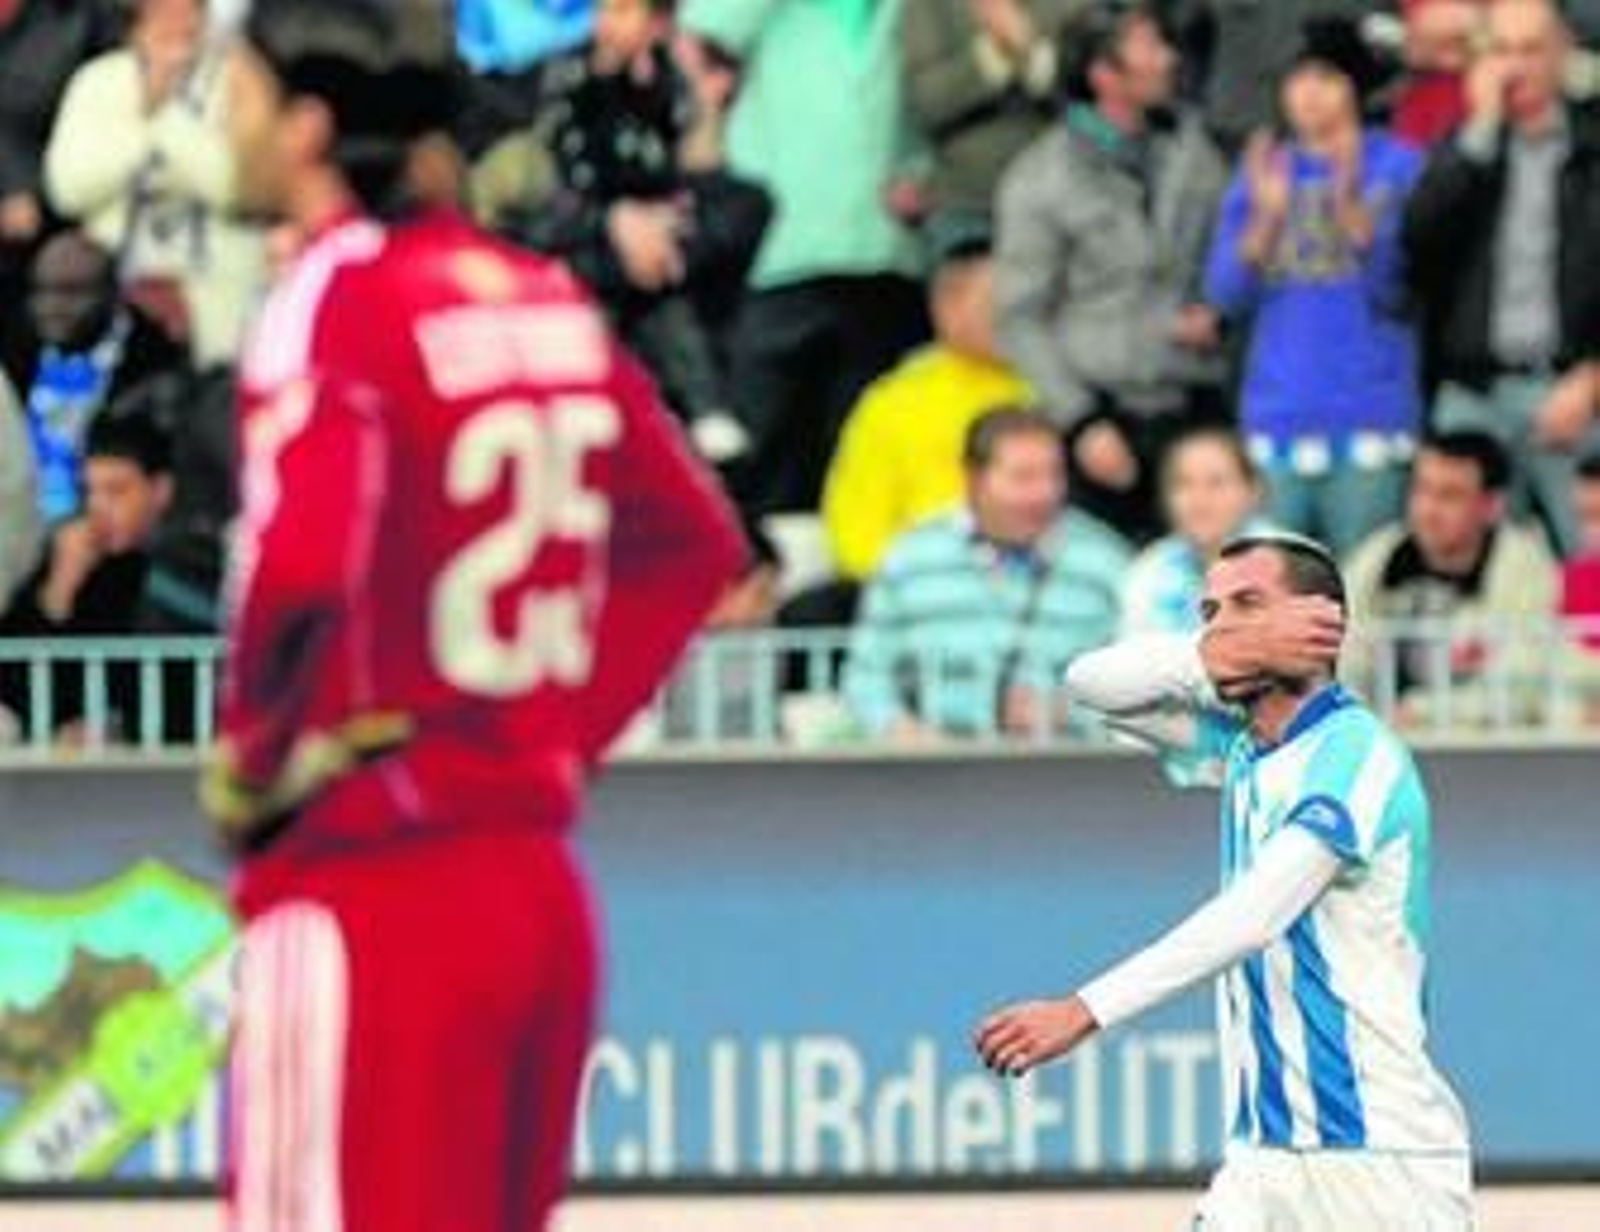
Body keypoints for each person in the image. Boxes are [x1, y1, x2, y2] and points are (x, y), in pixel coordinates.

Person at [201, 4, 744, 1231]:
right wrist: (548, 736)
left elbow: (298, 563)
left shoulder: (331, 291)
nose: (220, 125)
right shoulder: (538, 290)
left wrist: (253, 759)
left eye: (232, 96)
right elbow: (693, 544)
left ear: (308, 124)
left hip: (365, 883)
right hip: (536, 893)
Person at [975, 531, 1474, 1230]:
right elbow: (1089, 682)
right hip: (1260, 1161)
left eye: (1247, 605)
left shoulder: (1358, 756)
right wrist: (1212, 653)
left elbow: (1252, 918)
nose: (1221, 626)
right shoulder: (1238, 746)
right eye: (1209, 612)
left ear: (1317, 624)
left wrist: (1084, 1010)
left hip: (1380, 1158)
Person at [680, 0, 931, 514]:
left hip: (880, 255)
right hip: (779, 256)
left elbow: (920, 105)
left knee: (855, 448)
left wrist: (922, 175)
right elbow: (699, 26)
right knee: (760, 446)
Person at [995, 0, 1229, 543]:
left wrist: (1218, 313)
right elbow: (1019, 318)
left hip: (1190, 402)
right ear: (1104, 74)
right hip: (1101, 414)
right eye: (1149, 47)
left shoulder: (1194, 155)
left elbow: (1227, 258)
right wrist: (1080, 421)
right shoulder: (1042, 177)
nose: (1168, 58)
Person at [509, 0, 771, 462]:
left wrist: (655, 227)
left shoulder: (669, 90)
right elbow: (541, 191)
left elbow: (693, 179)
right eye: (604, 10)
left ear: (660, 22)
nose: (606, 25)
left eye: (624, 11)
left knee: (668, 289)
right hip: (576, 251)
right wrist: (612, 222)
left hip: (655, 254)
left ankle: (700, 402)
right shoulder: (567, 82)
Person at [1204, 16, 1424, 556]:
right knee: (1278, 597)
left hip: (1370, 413)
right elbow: (1223, 298)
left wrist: (1352, 210)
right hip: (1277, 418)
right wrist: (1266, 219)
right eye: (1297, 78)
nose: (1309, 94)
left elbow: (1400, 292)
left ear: (1356, 85)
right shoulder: (1262, 170)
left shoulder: (1399, 165)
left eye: (1326, 77)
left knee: (1360, 599)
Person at [1402, 0, 1600, 557]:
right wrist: (1480, 133)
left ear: (1563, 54)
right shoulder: (1465, 148)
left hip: (1574, 393)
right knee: (1461, 570)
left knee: (1591, 567)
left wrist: (1592, 376)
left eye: (1531, 49)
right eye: (1501, 50)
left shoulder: (1592, 148)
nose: (1515, 67)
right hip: (1472, 393)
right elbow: (1417, 242)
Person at [842, 407, 1129, 742]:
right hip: (936, 777)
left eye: (1054, 474)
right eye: (1024, 477)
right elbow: (865, 677)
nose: (1045, 492)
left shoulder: (1106, 559)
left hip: (1069, 773)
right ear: (972, 479)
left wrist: (1066, 713)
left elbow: (1146, 690)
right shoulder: (910, 558)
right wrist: (899, 730)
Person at [43, 0, 267, 364]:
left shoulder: (241, 78)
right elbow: (66, 188)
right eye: (158, 9)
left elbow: (237, 186)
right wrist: (151, 134)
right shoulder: (99, 80)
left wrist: (162, 117)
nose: (174, 17)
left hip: (221, 317)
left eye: (188, 8)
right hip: (108, 313)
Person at [822, 238, 1033, 588]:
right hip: (918, 594)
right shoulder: (893, 402)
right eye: (996, 301)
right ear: (946, 306)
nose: (1012, 313)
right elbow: (854, 529)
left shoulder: (1045, 391)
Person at [1343, 430, 1560, 726]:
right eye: (1421, 490)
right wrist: (1363, 716)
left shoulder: (1526, 569)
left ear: (1491, 506)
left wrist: (1421, 714)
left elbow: (1522, 688)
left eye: (1449, 495)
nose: (1427, 510)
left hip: (1481, 752)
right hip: (1381, 739)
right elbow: (1341, 658)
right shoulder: (1379, 555)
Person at [8, 229, 190, 527]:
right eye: (42, 291)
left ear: (111, 294)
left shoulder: (152, 363)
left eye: (71, 292)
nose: (53, 307)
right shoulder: (17, 350)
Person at [899, 0, 1087, 245]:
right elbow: (926, 102)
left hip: (1066, 202)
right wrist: (996, 54)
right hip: (966, 208)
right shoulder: (929, 6)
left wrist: (1033, 54)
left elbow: (1108, 93)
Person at [1120, 423, 1267, 637]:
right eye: (1183, 484)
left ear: (1253, 491)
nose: (1199, 499)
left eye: (1216, 483)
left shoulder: (1292, 567)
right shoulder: (1147, 571)